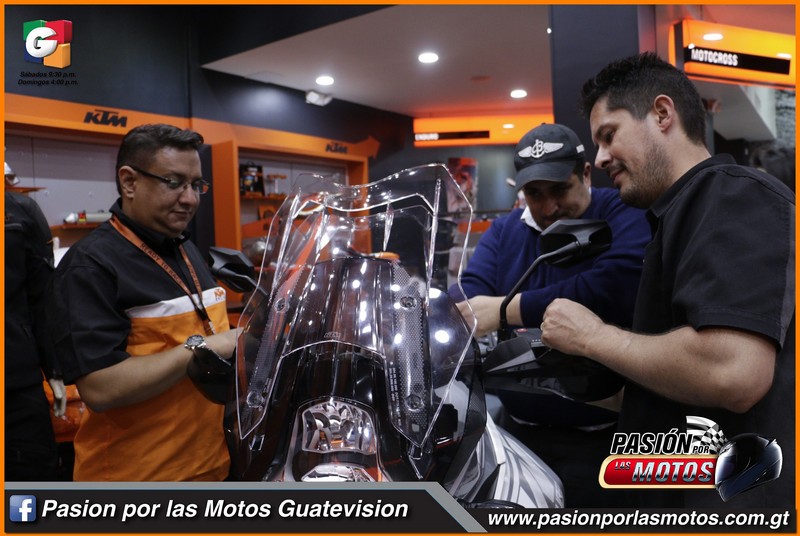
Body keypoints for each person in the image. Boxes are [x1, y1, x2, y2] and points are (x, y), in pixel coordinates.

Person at [542, 52, 795, 508]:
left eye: (608, 135)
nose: (600, 158)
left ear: (662, 113)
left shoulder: (733, 194)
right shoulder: (678, 215)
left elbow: (733, 372)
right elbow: (678, 390)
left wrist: (592, 337)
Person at [454, 123, 651, 506]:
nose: (547, 208)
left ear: (586, 174)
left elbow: (613, 286)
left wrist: (506, 309)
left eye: (559, 190)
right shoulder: (505, 231)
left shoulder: (622, 210)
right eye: (534, 194)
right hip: (517, 433)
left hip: (606, 438)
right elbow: (467, 295)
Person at [47, 124, 237, 481]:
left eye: (196, 184)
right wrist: (207, 348)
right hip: (136, 480)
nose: (190, 198)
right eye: (173, 182)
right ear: (129, 182)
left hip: (210, 465)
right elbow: (100, 388)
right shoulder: (91, 265)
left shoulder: (184, 248)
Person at [5, 161, 66, 481]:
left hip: (16, 381)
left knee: (30, 479)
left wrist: (54, 370)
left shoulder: (20, 212)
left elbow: (42, 299)